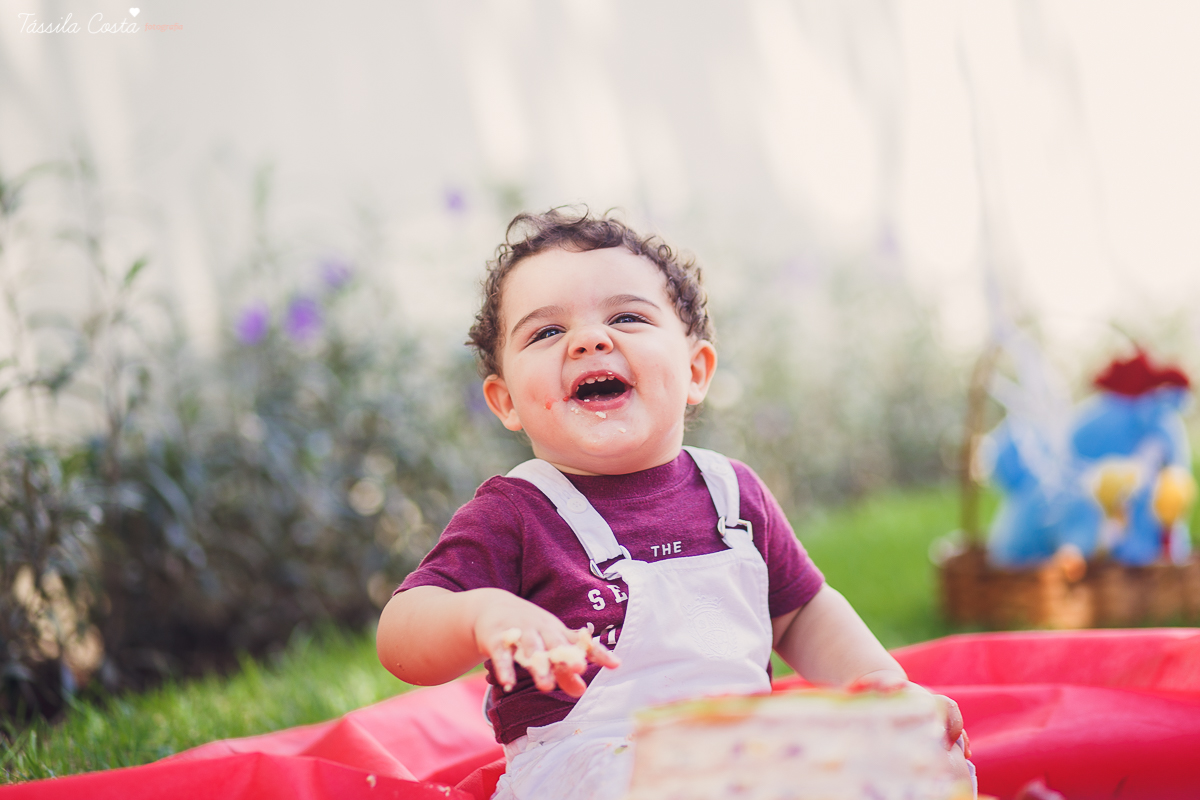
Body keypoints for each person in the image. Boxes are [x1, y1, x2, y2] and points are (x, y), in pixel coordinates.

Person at [376, 208, 973, 800]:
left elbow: (802, 611)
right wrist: (480, 615)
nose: (589, 339)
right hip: (592, 773)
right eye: (547, 332)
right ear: (506, 401)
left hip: (741, 758)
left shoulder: (732, 497)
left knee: (906, 766)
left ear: (695, 370)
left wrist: (877, 683)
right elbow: (401, 636)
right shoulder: (516, 515)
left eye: (627, 317)